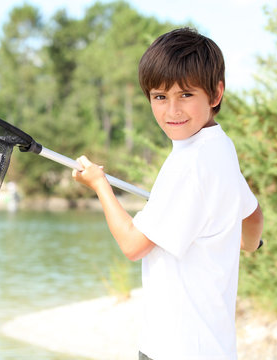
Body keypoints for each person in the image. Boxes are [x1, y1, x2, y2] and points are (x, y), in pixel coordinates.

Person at [72, 27, 264, 360]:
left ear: (215, 94)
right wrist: (248, 244)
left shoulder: (188, 164)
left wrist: (99, 185)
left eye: (186, 95)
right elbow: (253, 215)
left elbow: (133, 246)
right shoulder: (220, 145)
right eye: (160, 97)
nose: (172, 110)